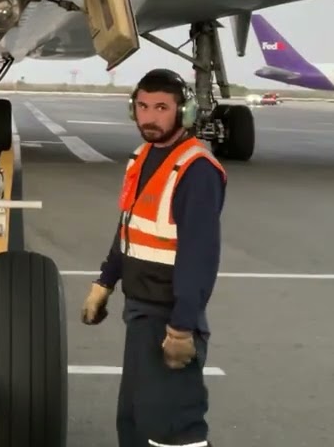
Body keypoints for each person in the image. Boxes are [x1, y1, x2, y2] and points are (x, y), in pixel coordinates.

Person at [81, 67, 227, 447]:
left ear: (185, 113)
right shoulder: (143, 156)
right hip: (140, 311)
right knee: (133, 421)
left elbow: (200, 257)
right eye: (143, 106)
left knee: (173, 429)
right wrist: (105, 281)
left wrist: (182, 327)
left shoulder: (196, 169)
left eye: (162, 107)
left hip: (170, 315)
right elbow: (129, 225)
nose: (149, 117)